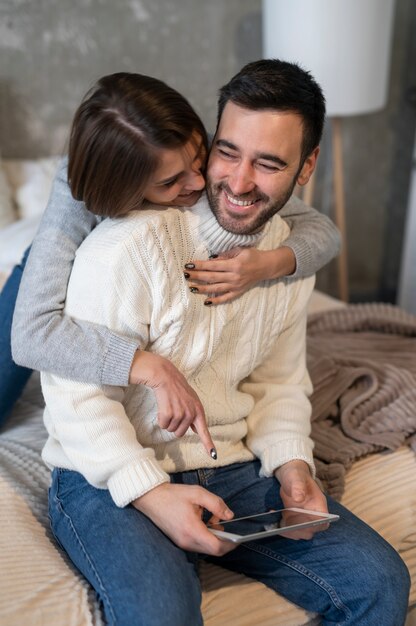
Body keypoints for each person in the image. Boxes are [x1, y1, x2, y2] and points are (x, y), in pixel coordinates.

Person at [40, 61, 409, 626]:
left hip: (230, 466)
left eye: (268, 163)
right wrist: (151, 493)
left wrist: (292, 465)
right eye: (228, 152)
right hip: (104, 470)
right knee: (164, 615)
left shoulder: (289, 259)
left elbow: (278, 382)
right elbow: (75, 396)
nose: (237, 183)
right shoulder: (125, 249)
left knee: (379, 581)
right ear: (208, 143)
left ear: (307, 166)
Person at [1, 82, 341, 431]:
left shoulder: (204, 151)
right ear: (125, 190)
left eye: (199, 162)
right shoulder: (76, 195)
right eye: (170, 182)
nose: (197, 184)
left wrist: (263, 266)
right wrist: (149, 366)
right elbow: (31, 338)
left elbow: (324, 232)